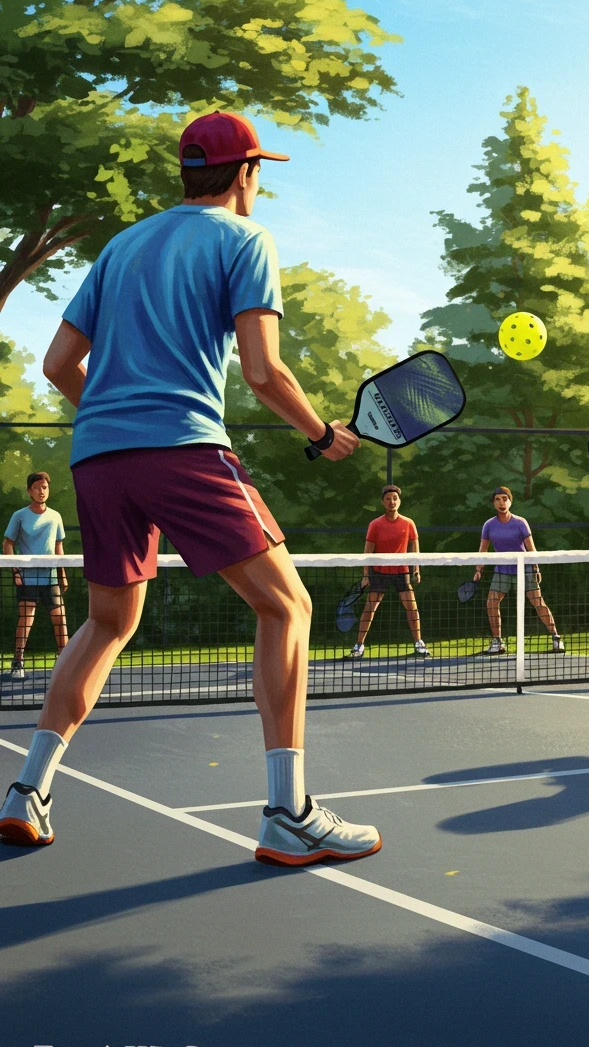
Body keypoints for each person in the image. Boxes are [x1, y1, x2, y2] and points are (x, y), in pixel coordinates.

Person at [0, 110, 381, 867]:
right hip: (182, 448)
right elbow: (265, 370)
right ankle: (289, 811)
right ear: (245, 174)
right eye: (259, 171)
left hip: (97, 458)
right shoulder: (246, 240)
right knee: (288, 605)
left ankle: (27, 794)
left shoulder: (121, 246)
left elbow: (57, 364)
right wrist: (321, 433)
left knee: (107, 624)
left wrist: (115, 415)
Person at [473, 486, 564, 655]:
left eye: (505, 499)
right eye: (498, 499)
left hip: (525, 569)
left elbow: (531, 549)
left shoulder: (520, 523)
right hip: (502, 570)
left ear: (510, 501)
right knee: (491, 602)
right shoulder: (489, 525)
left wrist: (536, 568)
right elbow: (483, 550)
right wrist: (479, 569)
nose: (502, 503)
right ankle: (497, 641)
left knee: (538, 602)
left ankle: (556, 637)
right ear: (493, 503)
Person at [347, 485, 430, 659]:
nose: (392, 501)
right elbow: (367, 552)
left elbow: (415, 550)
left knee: (412, 607)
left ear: (399, 501)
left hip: (402, 572)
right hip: (379, 572)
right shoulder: (375, 524)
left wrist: (416, 569)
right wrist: (365, 575)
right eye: (388, 498)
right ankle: (359, 646)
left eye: (394, 498)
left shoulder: (408, 523)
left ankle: (419, 643)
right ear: (382, 502)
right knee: (370, 608)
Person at [3, 471, 68, 678]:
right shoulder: (19, 516)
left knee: (60, 619)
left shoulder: (55, 516)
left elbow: (59, 547)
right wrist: (16, 571)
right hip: (27, 578)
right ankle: (18, 662)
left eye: (45, 487)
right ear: (29, 490)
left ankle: (64, 661)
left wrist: (62, 574)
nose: (42, 491)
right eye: (37, 487)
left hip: (50, 578)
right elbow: (8, 544)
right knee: (26, 619)